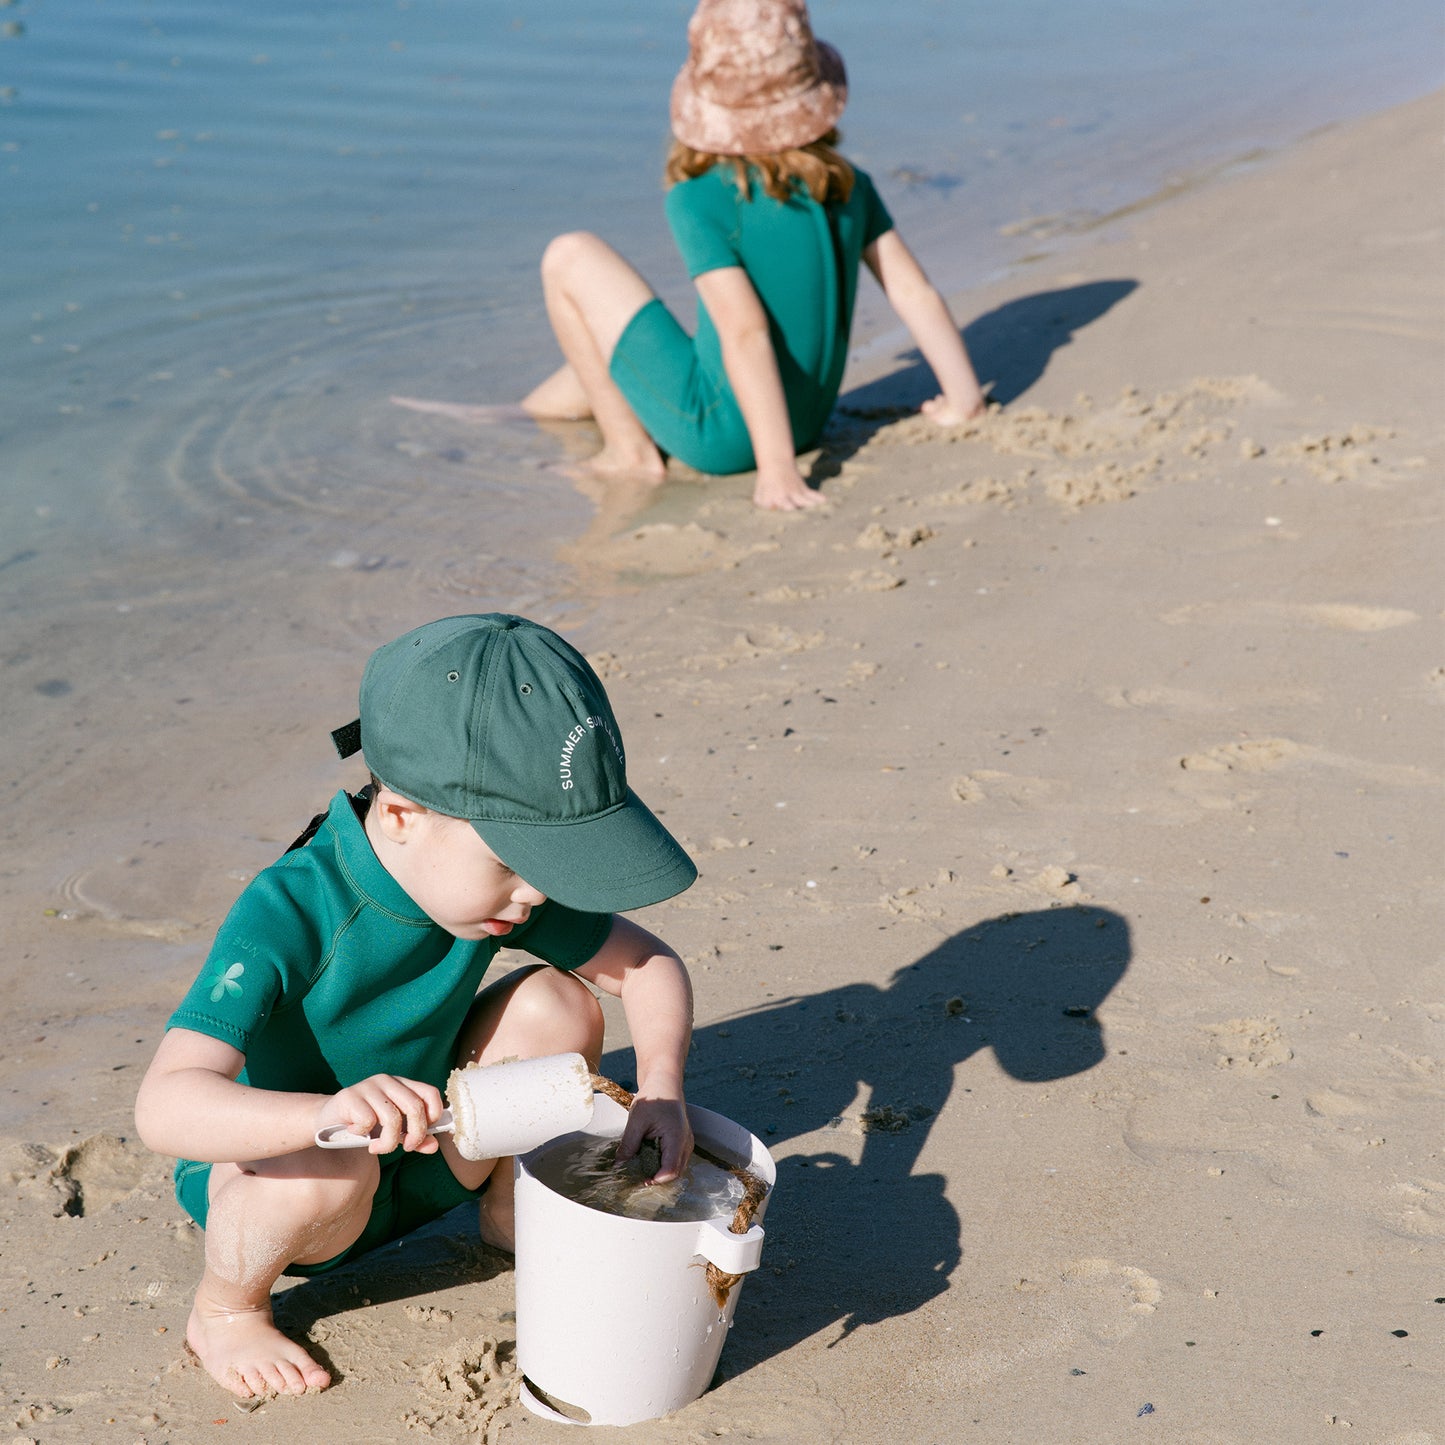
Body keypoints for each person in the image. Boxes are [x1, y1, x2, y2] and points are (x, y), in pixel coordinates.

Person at [133, 613, 699, 1401]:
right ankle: (227, 1310)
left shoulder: (495, 889)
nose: (534, 890)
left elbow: (647, 965)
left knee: (557, 1004)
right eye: (514, 858)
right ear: (401, 815)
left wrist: (662, 1086)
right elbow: (163, 1106)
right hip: (298, 1185)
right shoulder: (291, 908)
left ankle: (510, 1214)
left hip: (438, 1146)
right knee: (324, 1170)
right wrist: (322, 1114)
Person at [393, 0, 987, 512]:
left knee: (569, 256)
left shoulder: (699, 199)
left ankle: (629, 456)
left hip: (727, 436)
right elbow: (914, 293)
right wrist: (964, 399)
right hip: (807, 417)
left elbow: (746, 332)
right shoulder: (850, 185)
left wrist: (776, 467)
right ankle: (515, 414)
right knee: (604, 354)